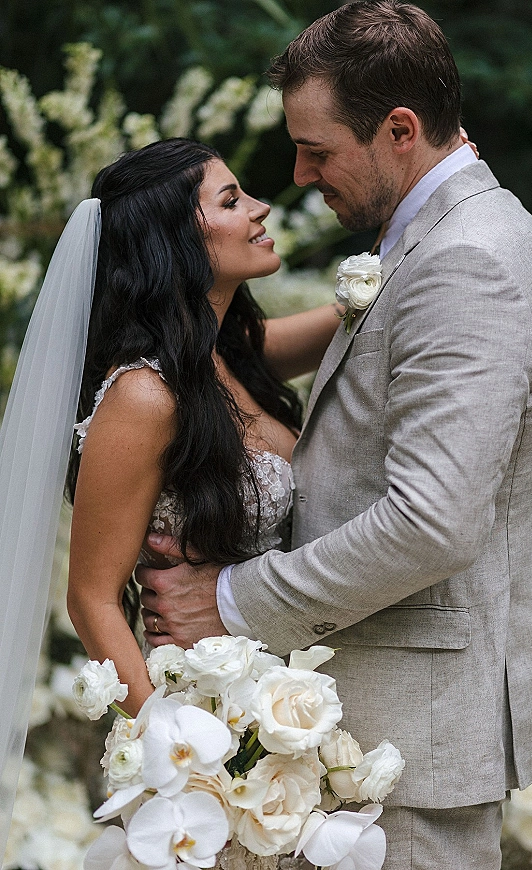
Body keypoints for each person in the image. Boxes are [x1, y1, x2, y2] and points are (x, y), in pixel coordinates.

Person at [137, 2, 532, 869]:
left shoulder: (466, 265)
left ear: (400, 129)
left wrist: (225, 599)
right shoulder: (439, 240)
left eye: (319, 149)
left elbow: (432, 523)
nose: (299, 174)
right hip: (383, 740)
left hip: (407, 748)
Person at [0, 137, 341, 861]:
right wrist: (184, 754)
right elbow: (90, 599)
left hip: (281, 714)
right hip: (200, 729)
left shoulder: (231, 352)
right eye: (230, 201)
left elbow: (352, 317)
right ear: (177, 245)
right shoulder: (145, 396)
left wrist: (400, 271)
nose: (260, 208)